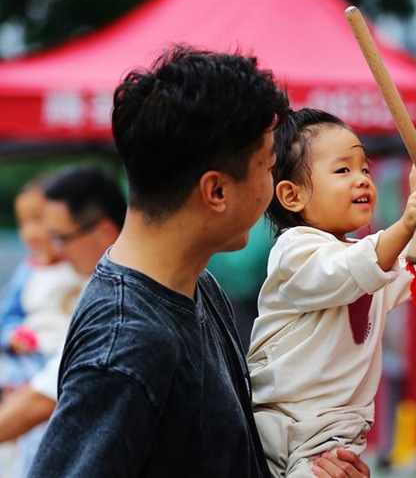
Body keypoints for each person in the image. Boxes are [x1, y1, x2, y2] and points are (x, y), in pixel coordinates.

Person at [29, 47, 370, 478]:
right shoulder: (127, 341)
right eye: (267, 167)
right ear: (216, 191)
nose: (272, 189)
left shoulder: (197, 285)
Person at [247, 108, 416, 477]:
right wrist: (405, 223)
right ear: (292, 196)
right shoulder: (295, 250)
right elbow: (348, 270)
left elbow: (411, 272)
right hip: (289, 427)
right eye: (343, 170)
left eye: (365, 169)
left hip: (337, 434)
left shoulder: (364, 257)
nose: (362, 181)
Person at [0, 165, 125, 476]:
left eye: (62, 237)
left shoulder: (115, 298)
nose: (54, 249)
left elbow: (46, 397)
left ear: (103, 232)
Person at [0, 177, 84, 394]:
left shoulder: (81, 265)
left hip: (68, 367)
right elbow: (9, 317)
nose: (29, 232)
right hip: (29, 367)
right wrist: (13, 337)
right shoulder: (28, 272)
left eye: (38, 220)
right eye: (23, 223)